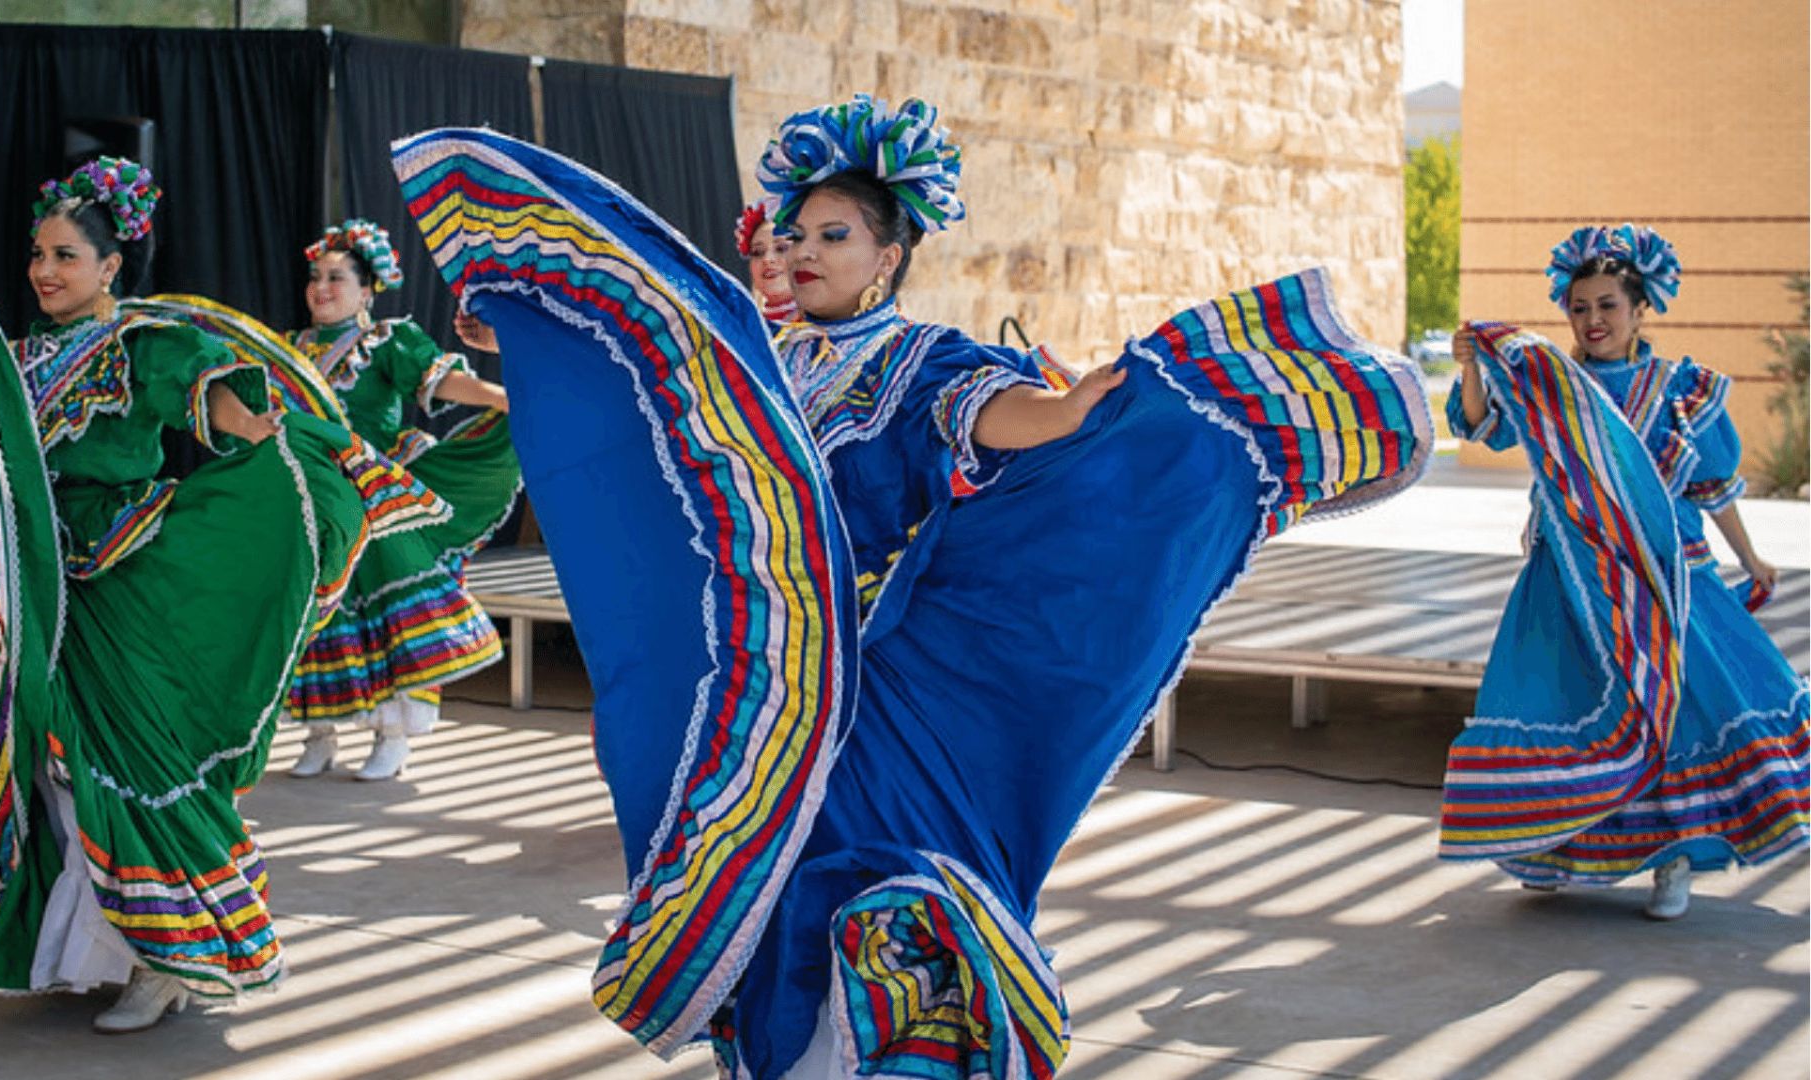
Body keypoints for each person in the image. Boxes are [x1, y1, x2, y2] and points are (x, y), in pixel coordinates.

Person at [390, 94, 1431, 1079]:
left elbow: (996, 414)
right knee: (753, 889)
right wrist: (538, 339)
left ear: (889, 257)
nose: (802, 251)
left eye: (833, 235)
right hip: (750, 680)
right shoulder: (756, 360)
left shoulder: (919, 359)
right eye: (793, 234)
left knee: (855, 879)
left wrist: (1070, 414)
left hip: (867, 692)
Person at [0, 158, 448, 1033]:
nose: (45, 270)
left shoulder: (142, 342)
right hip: (43, 589)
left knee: (130, 764)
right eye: (39, 254)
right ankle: (103, 949)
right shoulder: (19, 356)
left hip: (123, 577)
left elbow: (221, 408)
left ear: (111, 266)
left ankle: (172, 958)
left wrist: (276, 438)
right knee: (57, 765)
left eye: (67, 256)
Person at [1440, 223, 1808, 920]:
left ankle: (1672, 859)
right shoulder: (1551, 381)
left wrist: (1750, 554)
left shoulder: (1679, 390)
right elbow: (1482, 427)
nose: (1592, 320)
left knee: (1675, 712)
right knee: (1557, 705)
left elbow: (1711, 487)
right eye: (1579, 308)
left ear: (1642, 309)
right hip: (1569, 578)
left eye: (1608, 305)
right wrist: (1469, 364)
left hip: (1663, 581)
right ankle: (1552, 845)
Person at [281, 219, 520, 781]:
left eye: (336, 278)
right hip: (311, 498)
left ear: (367, 291)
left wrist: (509, 399)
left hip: (374, 495)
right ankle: (319, 732)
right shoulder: (290, 349)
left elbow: (445, 382)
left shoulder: (385, 341)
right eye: (316, 277)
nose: (321, 287)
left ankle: (394, 733)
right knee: (312, 612)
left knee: (383, 610)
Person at [735, 197, 797, 322]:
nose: (767, 259)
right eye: (757, 252)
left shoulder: (834, 322)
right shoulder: (741, 334)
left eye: (781, 248)